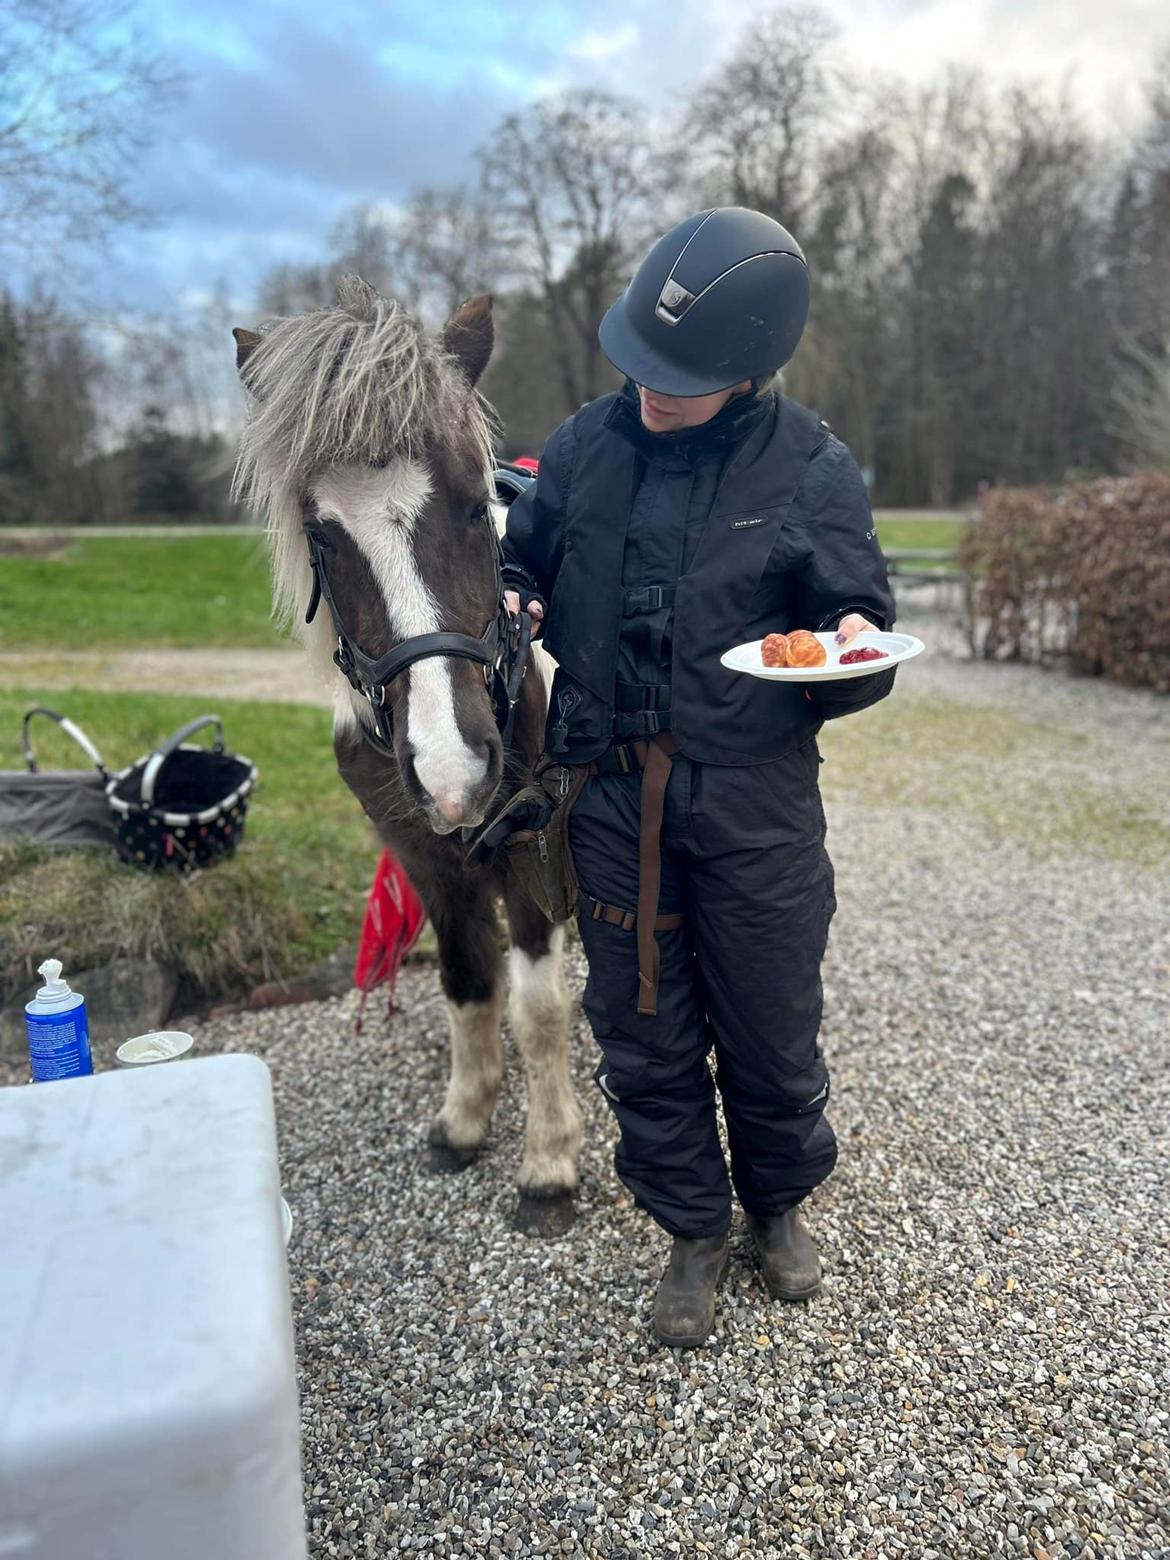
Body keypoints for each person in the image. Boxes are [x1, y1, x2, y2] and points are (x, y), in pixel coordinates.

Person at [501, 207, 896, 1348]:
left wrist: (850, 645)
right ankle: (691, 1226)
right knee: (642, 1026)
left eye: (681, 376)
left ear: (752, 365)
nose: (651, 390)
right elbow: (525, 554)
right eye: (639, 361)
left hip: (757, 795)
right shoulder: (582, 445)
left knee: (771, 1023)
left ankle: (775, 1206)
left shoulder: (812, 466)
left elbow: (856, 626)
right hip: (612, 794)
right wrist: (517, 593)